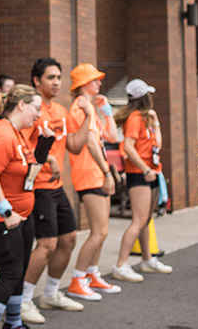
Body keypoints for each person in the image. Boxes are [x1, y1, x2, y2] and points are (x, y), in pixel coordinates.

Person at [0, 84, 53, 328]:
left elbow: (28, 172)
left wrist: (44, 146)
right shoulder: (2, 133)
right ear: (21, 105)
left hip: (22, 215)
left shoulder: (18, 132)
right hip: (1, 217)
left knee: (19, 271)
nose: (39, 115)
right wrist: (6, 211)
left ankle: (14, 322)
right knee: (10, 273)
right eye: (36, 108)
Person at [21, 58, 91, 317]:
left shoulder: (61, 111)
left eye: (59, 77)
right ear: (37, 81)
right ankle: (24, 300)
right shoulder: (30, 110)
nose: (56, 82)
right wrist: (48, 159)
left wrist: (89, 116)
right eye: (50, 77)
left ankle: (50, 293)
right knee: (47, 244)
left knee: (69, 239)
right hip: (37, 187)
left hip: (57, 186)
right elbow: (24, 147)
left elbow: (74, 145)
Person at [65, 63, 120, 301]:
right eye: (95, 80)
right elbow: (89, 143)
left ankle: (91, 274)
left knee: (102, 231)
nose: (100, 83)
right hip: (90, 174)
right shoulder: (80, 107)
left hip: (96, 173)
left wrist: (106, 110)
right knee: (98, 232)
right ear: (84, 84)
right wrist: (107, 173)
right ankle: (78, 279)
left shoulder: (89, 107)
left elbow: (112, 137)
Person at [110, 79, 172, 282]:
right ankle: (121, 265)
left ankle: (147, 259)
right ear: (144, 98)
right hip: (140, 172)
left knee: (146, 219)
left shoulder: (146, 118)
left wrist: (156, 123)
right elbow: (128, 147)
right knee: (138, 220)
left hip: (152, 171)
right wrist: (145, 168)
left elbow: (157, 145)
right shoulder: (135, 118)